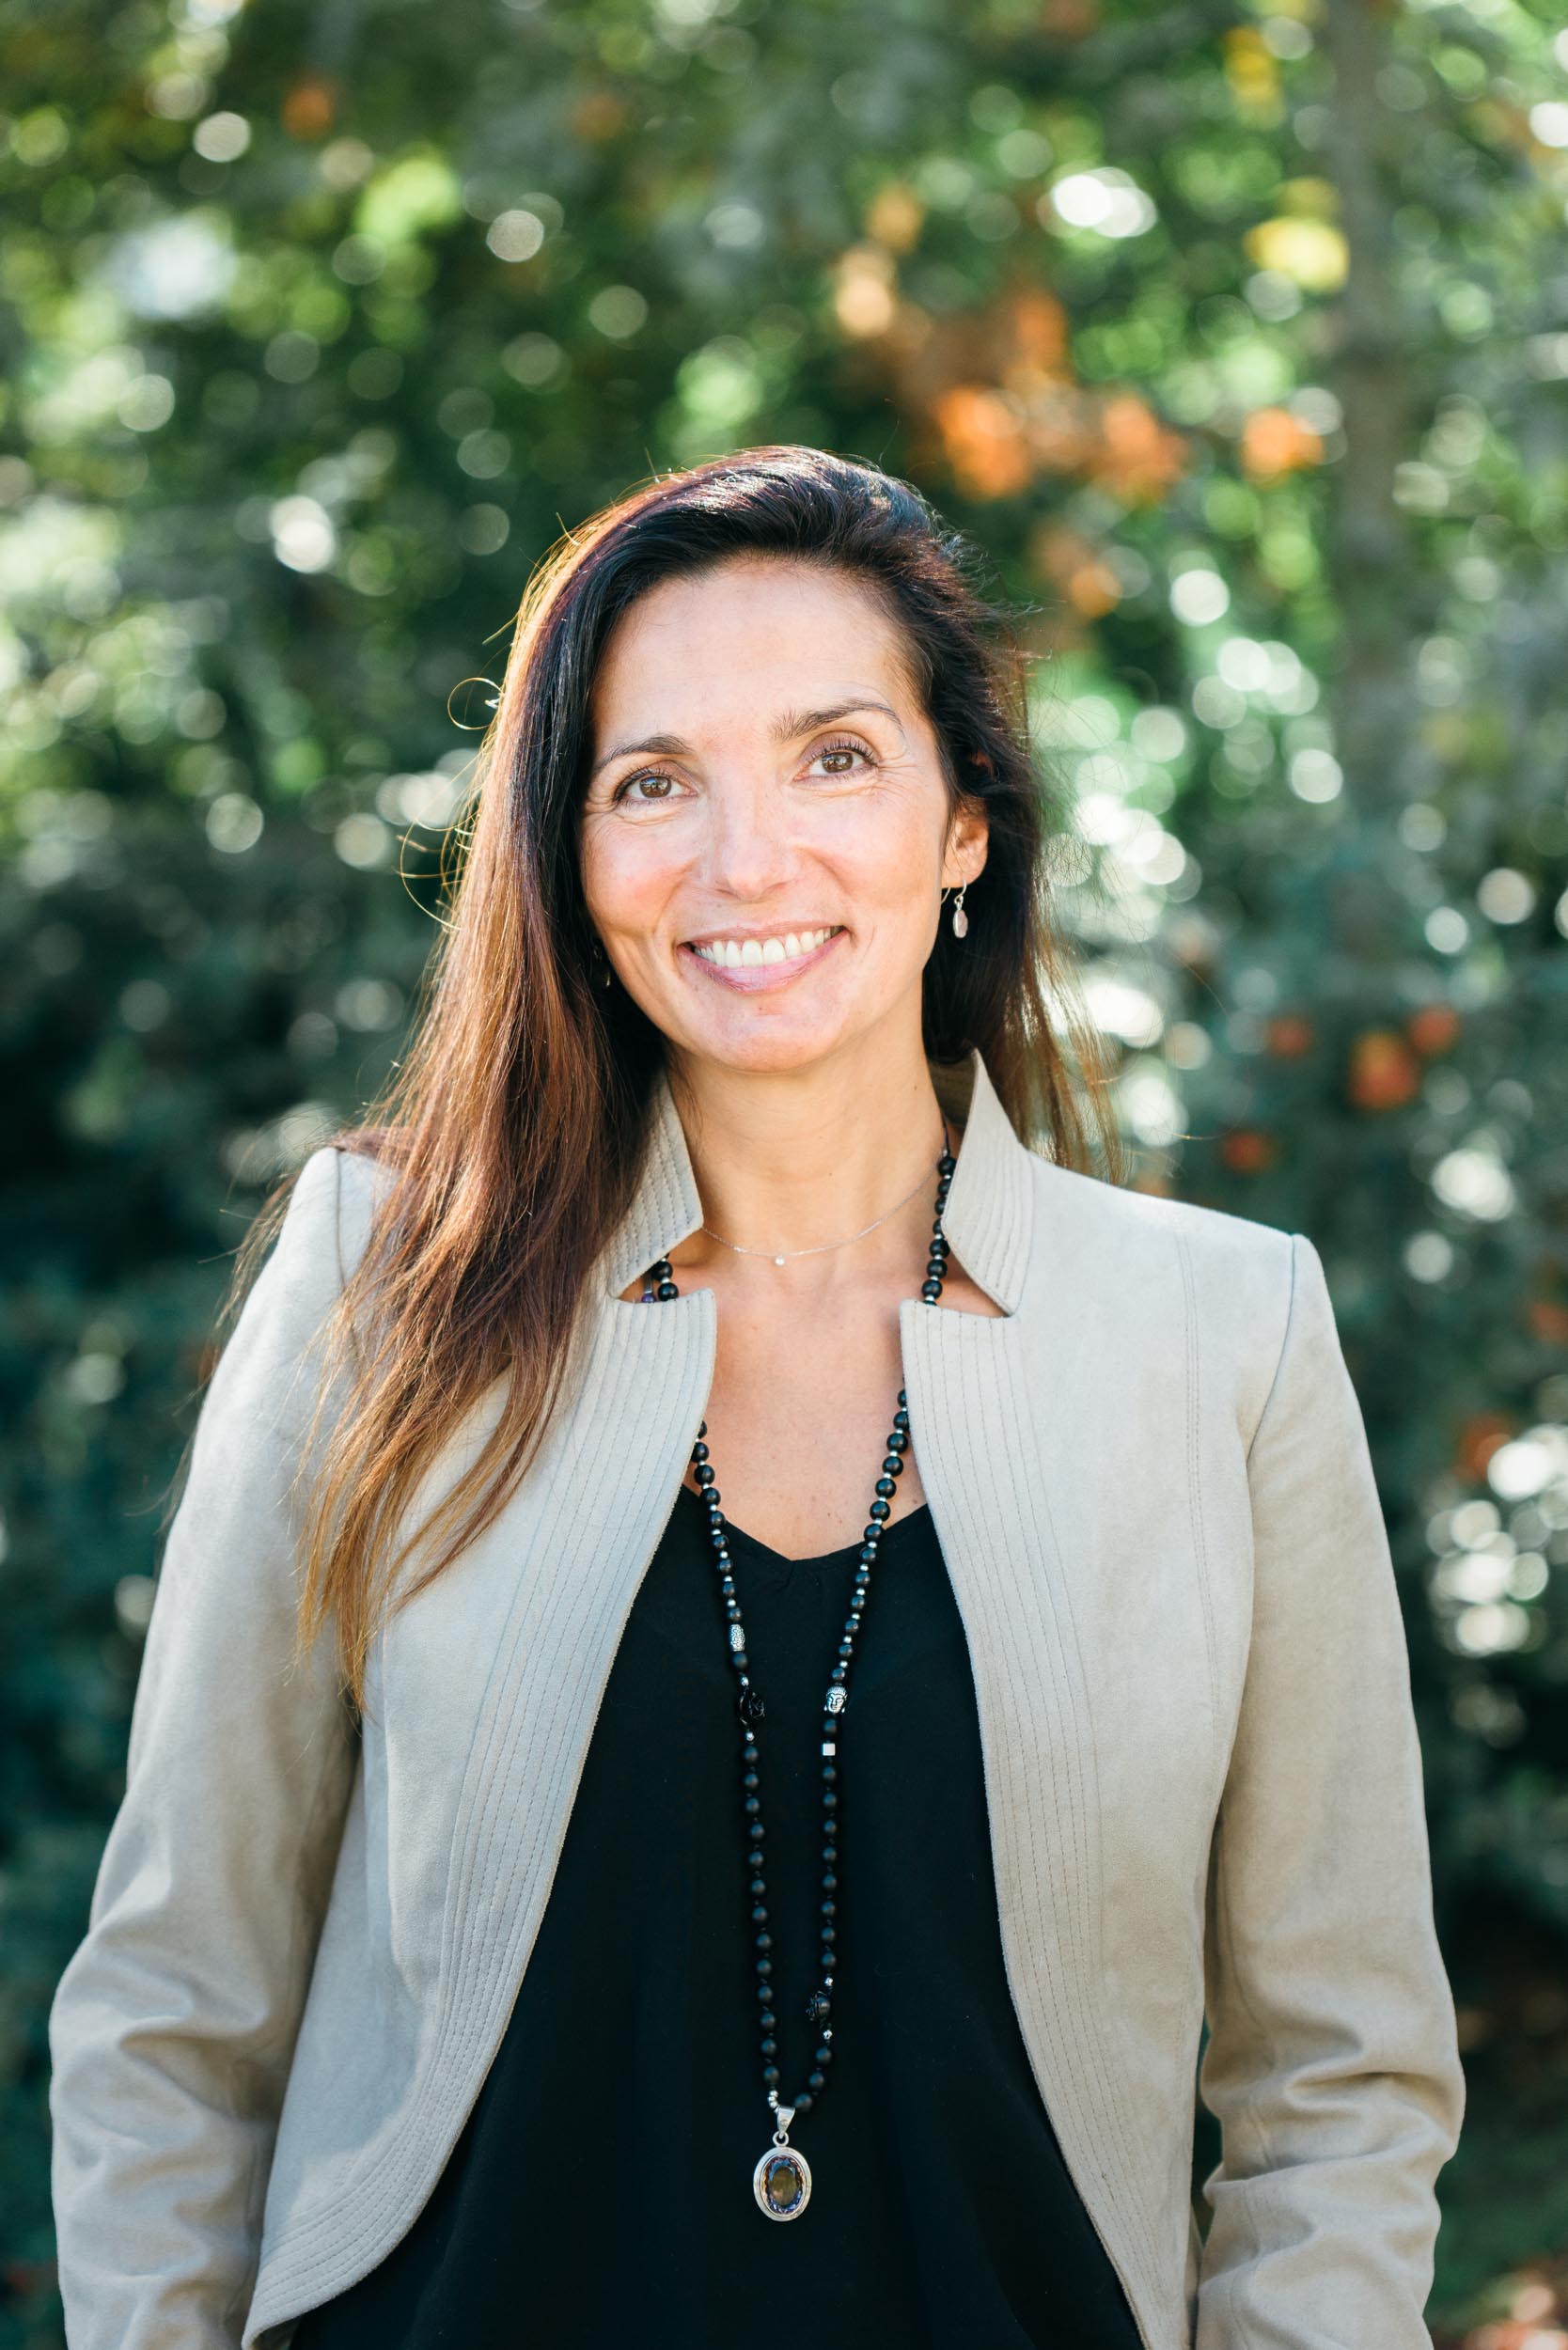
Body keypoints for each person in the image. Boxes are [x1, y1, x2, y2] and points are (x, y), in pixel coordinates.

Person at [47, 446, 1466, 2350]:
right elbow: (173, 2006)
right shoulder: (382, 1283)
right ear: (569, 848)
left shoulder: (1225, 1336)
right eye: (653, 783)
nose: (744, 861)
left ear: (967, 817)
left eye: (836, 756)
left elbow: (1341, 2080)